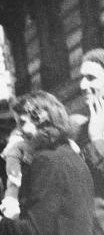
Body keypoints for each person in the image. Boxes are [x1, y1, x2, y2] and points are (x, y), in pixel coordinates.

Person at [0, 91, 94, 235]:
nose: (19, 131)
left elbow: (37, 229)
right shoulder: (71, 155)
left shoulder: (46, 161)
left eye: (22, 122)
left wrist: (1, 226)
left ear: (42, 121)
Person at [75, 47, 104, 234]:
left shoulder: (92, 131)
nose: (83, 85)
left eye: (91, 78)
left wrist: (98, 141)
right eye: (82, 78)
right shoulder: (82, 130)